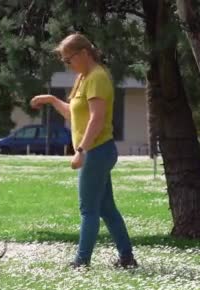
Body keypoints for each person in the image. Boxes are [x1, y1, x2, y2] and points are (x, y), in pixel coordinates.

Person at [30, 33, 137, 269]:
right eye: (65, 61)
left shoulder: (97, 77)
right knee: (106, 209)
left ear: (84, 53)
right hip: (96, 151)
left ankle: (81, 261)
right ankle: (127, 258)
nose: (68, 65)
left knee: (88, 209)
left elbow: (97, 119)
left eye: (69, 59)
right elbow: (73, 113)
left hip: (97, 151)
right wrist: (50, 99)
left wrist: (81, 150)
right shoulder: (82, 78)